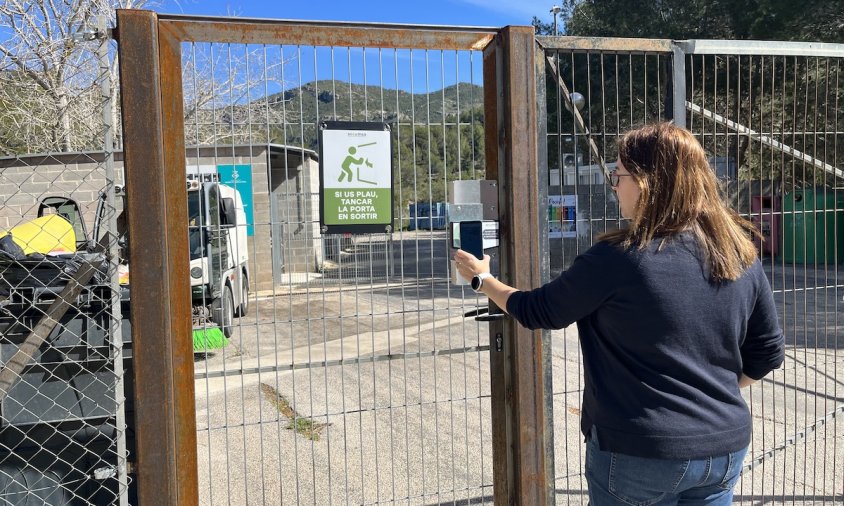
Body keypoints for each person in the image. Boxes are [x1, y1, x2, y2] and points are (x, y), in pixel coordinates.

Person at [454, 122, 784, 505]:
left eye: (618, 175)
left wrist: (483, 280)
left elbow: (538, 310)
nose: (614, 185)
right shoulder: (739, 254)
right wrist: (711, 394)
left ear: (645, 182)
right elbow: (767, 353)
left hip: (638, 452)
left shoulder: (619, 259)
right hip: (722, 447)